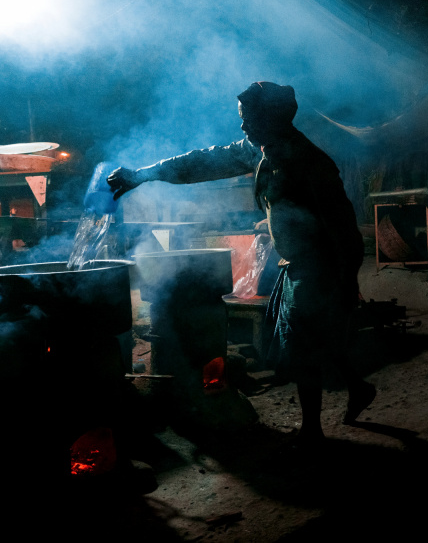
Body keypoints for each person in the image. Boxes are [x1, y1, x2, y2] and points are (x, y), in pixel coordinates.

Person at [108, 81, 376, 447]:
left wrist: (347, 278)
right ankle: (359, 389)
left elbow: (343, 226)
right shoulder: (257, 151)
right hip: (295, 263)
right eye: (242, 118)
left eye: (249, 117)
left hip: (320, 265)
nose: (242, 126)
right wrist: (141, 175)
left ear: (275, 117)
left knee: (301, 346)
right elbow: (200, 162)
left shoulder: (310, 163)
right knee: (315, 338)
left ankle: (312, 430)